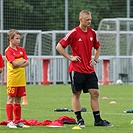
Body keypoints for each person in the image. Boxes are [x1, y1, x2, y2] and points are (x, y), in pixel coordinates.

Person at [56, 10, 113, 127]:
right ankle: (79, 120)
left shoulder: (93, 33)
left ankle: (98, 120)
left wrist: (95, 60)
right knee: (76, 94)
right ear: (80, 19)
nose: (89, 22)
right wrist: (70, 57)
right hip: (76, 70)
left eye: (90, 19)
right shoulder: (73, 33)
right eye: (87, 20)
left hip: (89, 70)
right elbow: (59, 46)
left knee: (95, 93)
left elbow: (98, 47)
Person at [5, 29, 30, 128]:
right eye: (17, 38)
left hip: (21, 79)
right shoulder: (8, 51)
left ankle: (17, 121)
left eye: (19, 38)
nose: (19, 40)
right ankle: (9, 121)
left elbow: (27, 62)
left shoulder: (21, 49)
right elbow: (14, 64)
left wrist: (20, 62)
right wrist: (22, 61)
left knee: (18, 100)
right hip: (12, 79)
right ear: (11, 39)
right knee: (10, 99)